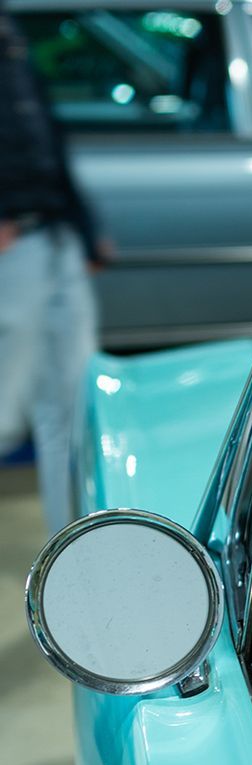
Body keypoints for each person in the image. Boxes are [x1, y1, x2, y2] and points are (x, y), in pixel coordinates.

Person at [0, 0, 106, 531]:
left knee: (71, 398)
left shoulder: (11, 37)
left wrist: (85, 230)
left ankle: (71, 538)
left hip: (52, 234)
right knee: (5, 407)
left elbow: (47, 141)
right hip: (13, 245)